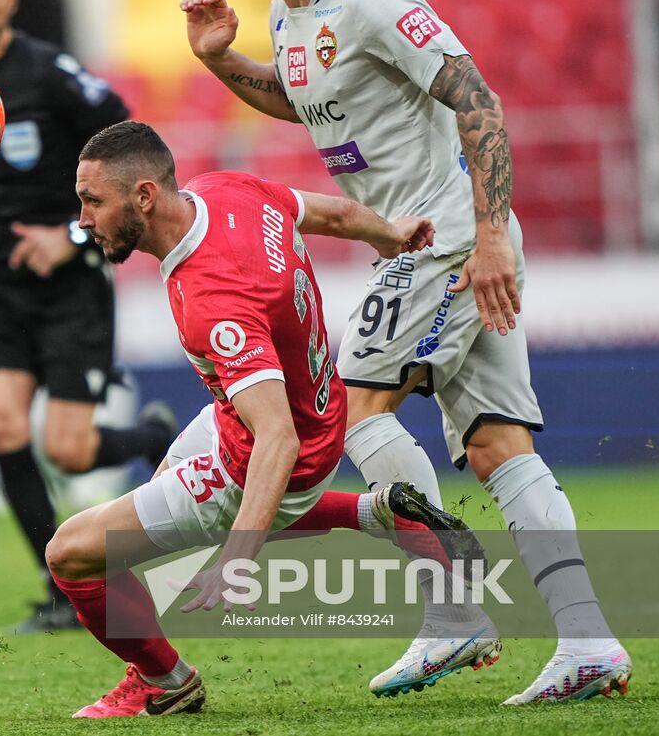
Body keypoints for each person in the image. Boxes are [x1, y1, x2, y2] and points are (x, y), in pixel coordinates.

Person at [180, 0, 630, 704]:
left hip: (448, 236)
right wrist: (218, 60)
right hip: (427, 241)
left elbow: (478, 101)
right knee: (499, 442)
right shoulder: (286, 13)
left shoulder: (378, 1)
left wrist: (490, 235)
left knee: (353, 408)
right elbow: (304, 98)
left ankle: (453, 608)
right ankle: (589, 641)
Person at [46, 120, 486, 718]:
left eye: (93, 201)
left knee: (71, 554)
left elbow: (274, 436)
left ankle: (164, 679)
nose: (83, 218)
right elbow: (328, 214)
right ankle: (378, 512)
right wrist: (390, 233)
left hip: (273, 448)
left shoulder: (214, 300)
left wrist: (238, 556)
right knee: (161, 497)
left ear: (144, 196)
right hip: (314, 409)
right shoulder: (224, 191)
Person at [0, 0, 179, 632]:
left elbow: (136, 148)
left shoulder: (50, 75)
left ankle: (148, 437)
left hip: (72, 286)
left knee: (69, 449)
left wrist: (73, 234)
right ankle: (59, 587)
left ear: (9, 0)